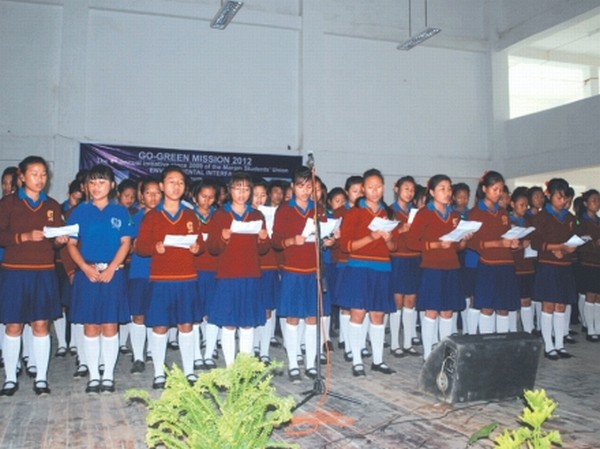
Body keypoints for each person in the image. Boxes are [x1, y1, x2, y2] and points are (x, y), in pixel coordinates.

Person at [0, 156, 67, 396]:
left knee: (41, 324)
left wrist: (59, 241)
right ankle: (10, 378)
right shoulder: (8, 203)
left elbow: (55, 242)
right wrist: (23, 237)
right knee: (14, 324)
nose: (40, 179)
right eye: (34, 174)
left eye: (43, 174)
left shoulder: (52, 206)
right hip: (15, 273)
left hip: (43, 272)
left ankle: (41, 378)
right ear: (22, 175)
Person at [67, 164, 133, 394]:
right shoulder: (79, 212)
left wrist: (112, 268)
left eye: (101, 182)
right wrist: (85, 268)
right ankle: (94, 376)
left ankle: (108, 376)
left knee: (109, 325)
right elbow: (71, 244)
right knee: (91, 326)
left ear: (112, 185)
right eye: (92, 183)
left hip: (112, 275)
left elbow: (126, 243)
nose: (96, 187)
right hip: (88, 275)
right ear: (86, 186)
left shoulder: (121, 212)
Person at [136, 166, 203, 388]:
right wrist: (154, 247)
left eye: (181, 182)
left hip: (186, 279)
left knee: (186, 325)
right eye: (172, 182)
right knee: (160, 326)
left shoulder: (190, 214)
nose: (176, 186)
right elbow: (140, 247)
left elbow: (200, 243)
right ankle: (159, 373)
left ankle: (189, 371)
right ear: (162, 186)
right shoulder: (151, 217)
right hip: (161, 280)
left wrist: (197, 247)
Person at [206, 172, 269, 367]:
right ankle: (230, 367)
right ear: (229, 190)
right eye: (237, 189)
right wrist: (223, 238)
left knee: (247, 324)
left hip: (251, 275)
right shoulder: (220, 215)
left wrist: (263, 238)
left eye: (246, 189)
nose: (242, 193)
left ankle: (244, 368)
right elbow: (212, 248)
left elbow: (263, 250)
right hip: (228, 275)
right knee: (229, 323)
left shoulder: (257, 215)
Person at [338, 169, 397, 377]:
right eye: (370, 187)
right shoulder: (354, 213)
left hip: (382, 268)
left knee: (378, 314)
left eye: (379, 187)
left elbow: (394, 248)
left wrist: (388, 239)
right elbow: (346, 246)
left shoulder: (388, 213)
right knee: (358, 312)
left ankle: (378, 360)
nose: (375, 191)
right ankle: (356, 361)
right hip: (359, 268)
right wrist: (371, 237)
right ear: (363, 189)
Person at [407, 174, 470, 360]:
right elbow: (411, 242)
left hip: (451, 267)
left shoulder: (455, 215)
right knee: (432, 310)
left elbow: (456, 247)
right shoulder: (423, 214)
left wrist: (464, 240)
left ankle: (445, 354)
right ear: (432, 192)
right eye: (442, 189)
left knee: (448, 311)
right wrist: (435, 245)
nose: (447, 192)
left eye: (449, 189)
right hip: (432, 268)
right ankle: (428, 354)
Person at [272, 166, 325, 382]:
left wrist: (329, 239)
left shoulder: (318, 209)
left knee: (312, 318)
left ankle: (310, 364)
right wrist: (292, 240)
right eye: (301, 186)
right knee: (293, 317)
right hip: (292, 271)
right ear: (293, 187)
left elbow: (324, 237)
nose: (305, 191)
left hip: (313, 271)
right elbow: (276, 241)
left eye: (309, 187)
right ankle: (293, 363)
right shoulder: (284, 209)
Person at [530, 178, 577, 360]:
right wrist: (555, 248)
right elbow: (535, 243)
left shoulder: (570, 218)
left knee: (561, 306)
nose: (563, 202)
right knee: (548, 305)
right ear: (549, 195)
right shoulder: (540, 217)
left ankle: (560, 344)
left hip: (564, 265)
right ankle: (548, 345)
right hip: (548, 265)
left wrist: (569, 249)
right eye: (559, 197)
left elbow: (574, 239)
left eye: (565, 198)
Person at [467, 171, 520, 334]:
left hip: (506, 264)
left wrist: (513, 243)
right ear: (484, 189)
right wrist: (498, 243)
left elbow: (506, 236)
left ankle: (501, 342)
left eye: (501, 190)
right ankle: (486, 341)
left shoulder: (503, 213)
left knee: (503, 307)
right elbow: (472, 242)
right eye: (495, 189)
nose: (499, 193)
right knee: (487, 307)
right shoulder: (475, 213)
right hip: (487, 264)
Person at [127, 177, 162, 375]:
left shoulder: (167, 216)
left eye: (157, 193)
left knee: (156, 315)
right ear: (141, 196)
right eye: (149, 193)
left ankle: (154, 353)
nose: (153, 197)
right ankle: (138, 356)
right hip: (139, 271)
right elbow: (127, 243)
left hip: (161, 273)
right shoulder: (135, 217)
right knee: (138, 315)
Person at [332, 176, 364, 361]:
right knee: (346, 305)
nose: (358, 194)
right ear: (346, 192)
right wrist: (337, 238)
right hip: (344, 261)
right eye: (354, 191)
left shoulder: (366, 211)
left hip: (362, 263)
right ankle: (346, 342)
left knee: (360, 305)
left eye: (361, 191)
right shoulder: (339, 212)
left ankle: (358, 343)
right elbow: (332, 241)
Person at [389, 176, 420, 357]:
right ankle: (394, 344)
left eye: (412, 190)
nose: (409, 193)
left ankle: (408, 342)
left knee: (411, 301)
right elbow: (385, 236)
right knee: (397, 302)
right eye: (406, 188)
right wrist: (400, 230)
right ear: (397, 189)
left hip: (414, 259)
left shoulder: (416, 213)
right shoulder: (389, 211)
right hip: (397, 259)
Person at [191, 180, 219, 370]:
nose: (207, 200)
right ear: (195, 197)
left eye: (211, 197)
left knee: (212, 314)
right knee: (194, 315)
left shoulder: (219, 216)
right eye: (203, 196)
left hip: (215, 271)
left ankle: (209, 353)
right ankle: (195, 355)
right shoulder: (188, 216)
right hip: (193, 271)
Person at [251, 179, 279, 365]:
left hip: (269, 264)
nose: (259, 199)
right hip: (251, 267)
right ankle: (252, 347)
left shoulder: (274, 214)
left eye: (263, 195)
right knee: (252, 307)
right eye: (255, 195)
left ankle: (264, 350)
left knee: (267, 309)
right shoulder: (245, 214)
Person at [509, 187, 536, 333]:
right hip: (513, 266)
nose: (524, 208)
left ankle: (528, 331)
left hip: (527, 265)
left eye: (526, 205)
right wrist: (520, 245)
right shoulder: (507, 221)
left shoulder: (527, 221)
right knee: (513, 300)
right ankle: (512, 332)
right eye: (521, 205)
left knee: (526, 300)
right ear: (512, 204)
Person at [575, 189, 600, 342]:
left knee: (598, 297)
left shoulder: (598, 221)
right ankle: (590, 328)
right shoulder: (581, 221)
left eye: (598, 200)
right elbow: (579, 241)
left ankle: (598, 326)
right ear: (585, 203)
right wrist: (594, 243)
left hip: (598, 262)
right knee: (590, 295)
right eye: (593, 200)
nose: (597, 203)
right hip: (587, 261)